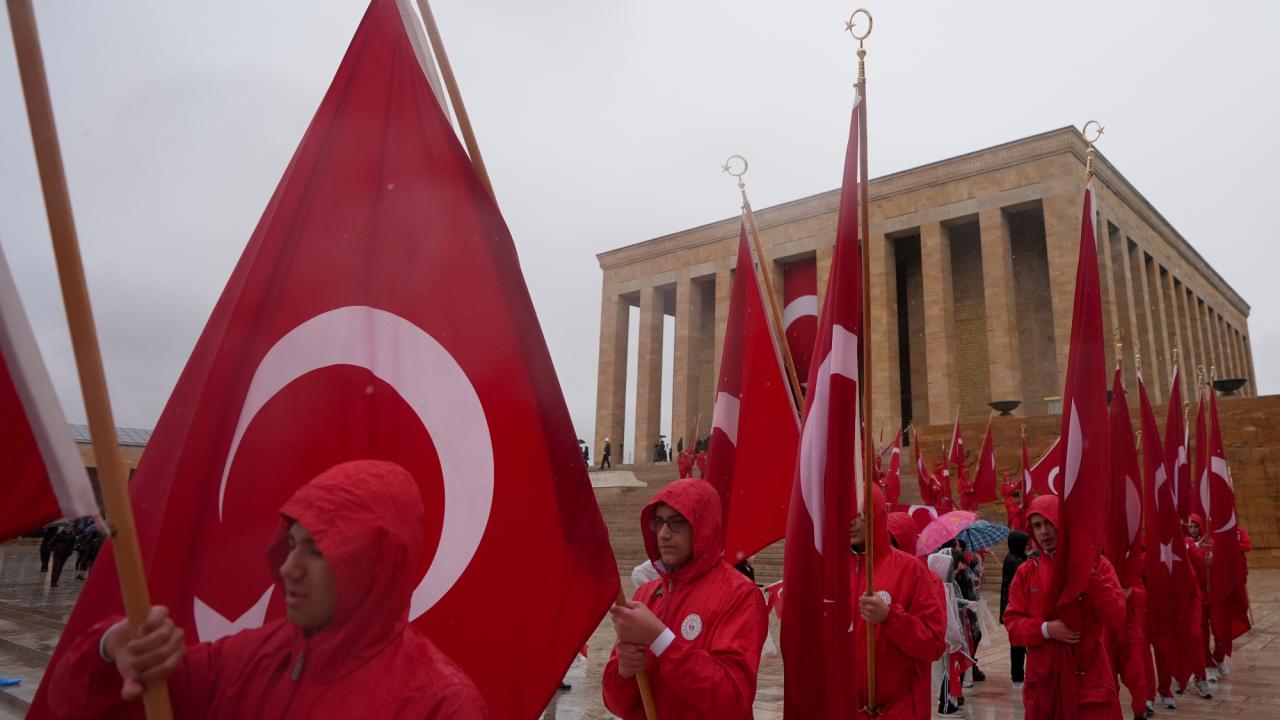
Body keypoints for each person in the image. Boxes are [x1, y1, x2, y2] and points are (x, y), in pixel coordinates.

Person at [45, 460, 487, 718]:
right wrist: (111, 651)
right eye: (291, 545)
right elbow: (88, 706)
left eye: (317, 549)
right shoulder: (242, 661)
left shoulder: (440, 704)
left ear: (375, 564)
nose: (289, 568)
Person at [602, 478, 767, 719]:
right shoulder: (646, 594)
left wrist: (661, 640)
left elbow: (731, 700)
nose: (664, 534)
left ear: (703, 526)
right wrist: (624, 671)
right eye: (658, 522)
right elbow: (616, 704)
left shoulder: (740, 595)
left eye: (677, 522)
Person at [1004, 495, 1127, 719]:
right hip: (1044, 681)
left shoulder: (1097, 565)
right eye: (1037, 525)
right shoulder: (1026, 572)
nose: (1043, 531)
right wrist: (1046, 629)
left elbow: (1116, 616)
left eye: (1049, 522)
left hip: (1087, 681)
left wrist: (1089, 575)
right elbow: (1013, 625)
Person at [847, 486, 947, 719]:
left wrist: (890, 618)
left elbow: (933, 644)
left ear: (877, 515)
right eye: (848, 513)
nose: (852, 522)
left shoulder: (910, 570)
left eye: (860, 515)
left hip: (899, 709)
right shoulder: (836, 572)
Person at [1000, 530, 1030, 687]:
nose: (1027, 546)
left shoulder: (1017, 558)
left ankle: (1019, 675)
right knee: (1017, 643)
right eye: (1024, 543)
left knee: (1020, 642)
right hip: (1013, 609)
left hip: (1018, 607)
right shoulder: (1013, 560)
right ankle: (1017, 676)